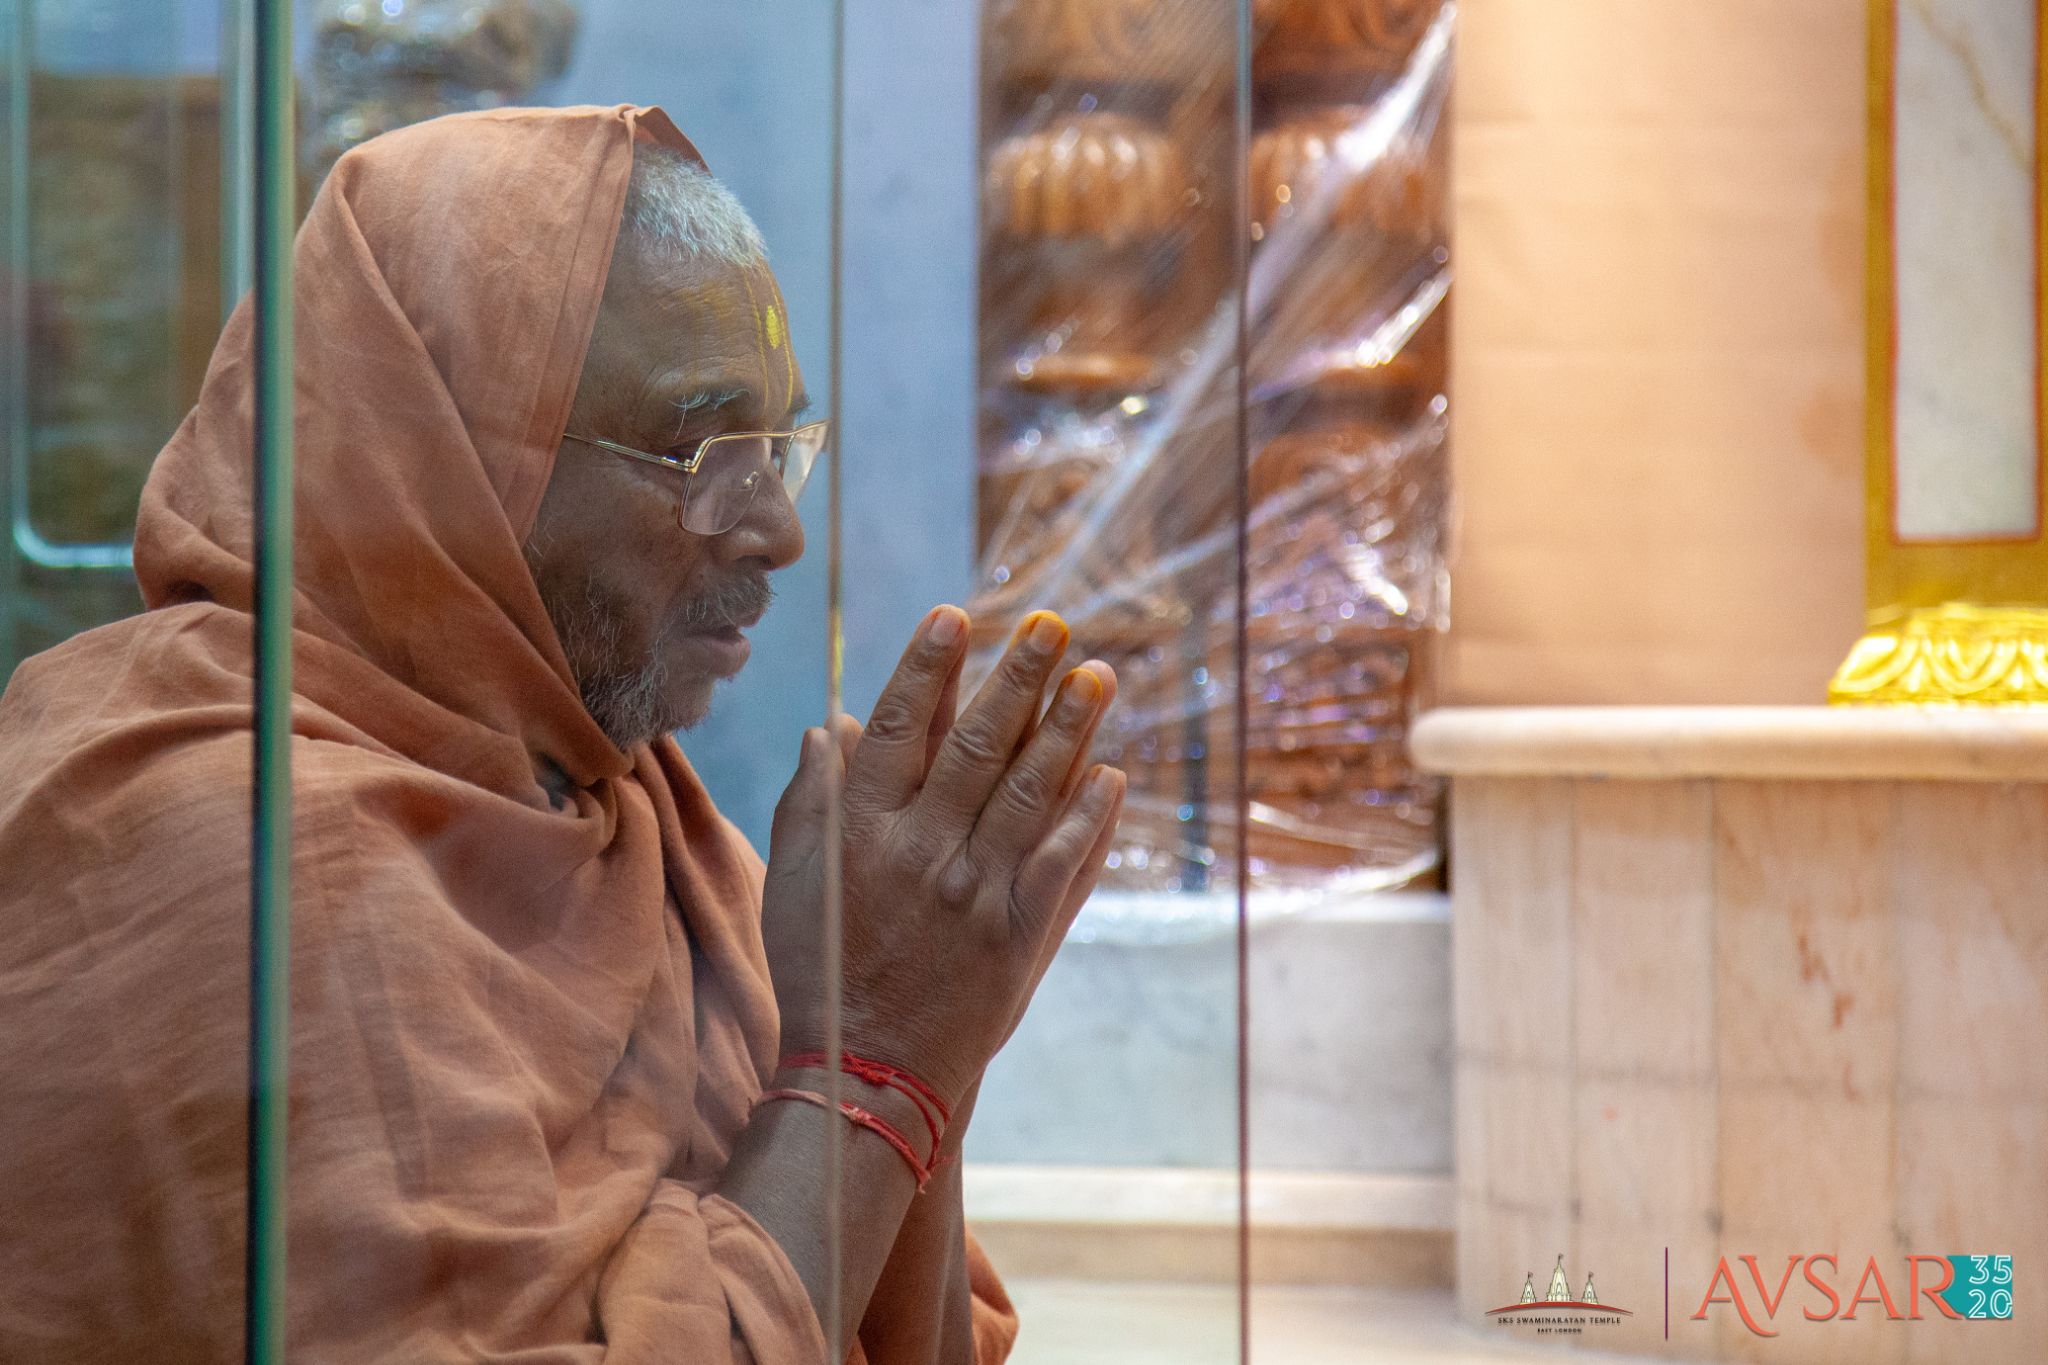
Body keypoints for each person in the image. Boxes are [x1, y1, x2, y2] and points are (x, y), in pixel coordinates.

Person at [0, 104, 1125, 1364]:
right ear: (443, 458)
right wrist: (873, 1061)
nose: (776, 530)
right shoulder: (236, 843)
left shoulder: (625, 815)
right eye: (701, 449)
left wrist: (922, 1032)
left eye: (779, 449)